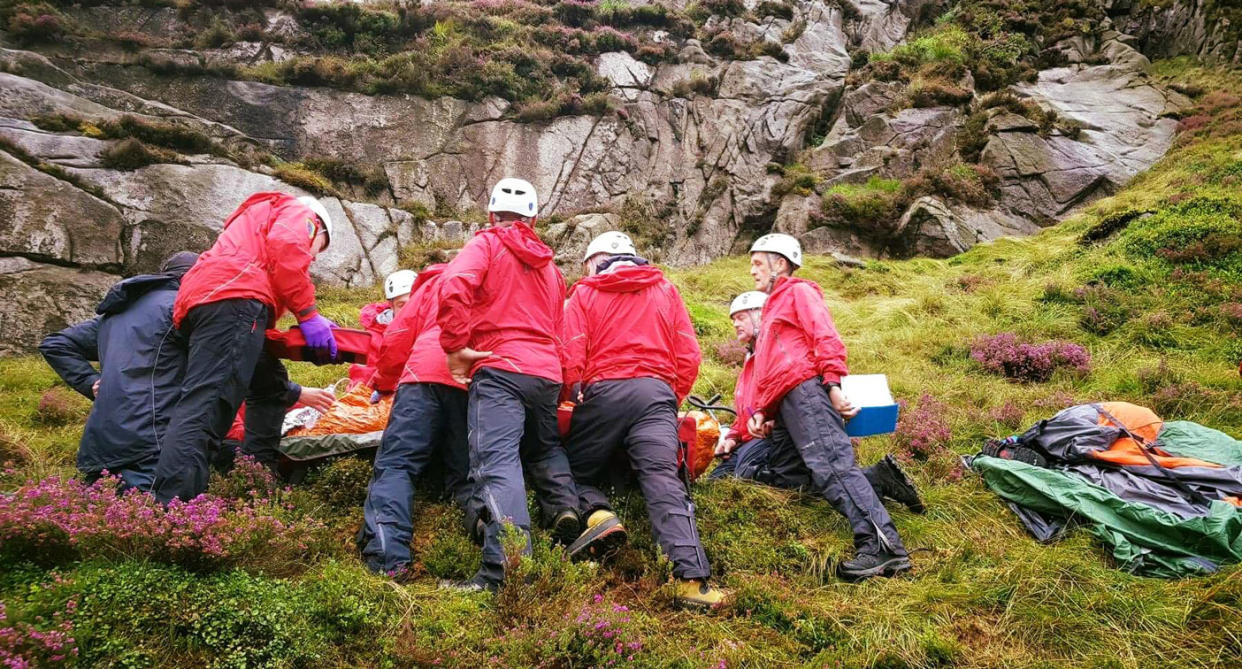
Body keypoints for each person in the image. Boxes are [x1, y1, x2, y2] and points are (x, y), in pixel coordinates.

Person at [562, 232, 725, 608]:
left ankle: (600, 514)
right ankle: (692, 583)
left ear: (597, 260)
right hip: (655, 395)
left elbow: (570, 351)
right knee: (664, 480)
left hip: (605, 394)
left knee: (572, 470)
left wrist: (574, 391)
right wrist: (670, 398)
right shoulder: (664, 290)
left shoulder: (585, 293)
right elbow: (689, 353)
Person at [436, 178, 580, 592]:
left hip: (501, 368)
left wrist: (455, 346)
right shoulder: (551, 269)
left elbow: (453, 286)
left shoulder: (485, 244)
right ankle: (565, 511)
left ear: (490, 215)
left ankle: (504, 572)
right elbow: (560, 329)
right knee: (543, 449)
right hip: (546, 374)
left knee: (496, 464)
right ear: (534, 219)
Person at [151, 193, 339, 503]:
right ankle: (173, 510)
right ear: (318, 230)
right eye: (321, 246)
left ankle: (257, 480)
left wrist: (309, 320)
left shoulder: (252, 226)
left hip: (213, 300)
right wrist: (308, 314)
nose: (315, 256)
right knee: (207, 407)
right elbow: (288, 248)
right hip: (234, 300)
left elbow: (271, 268)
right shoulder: (302, 214)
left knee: (270, 385)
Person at [744, 234, 912, 581]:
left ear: (781, 263)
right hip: (786, 402)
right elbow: (770, 367)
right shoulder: (772, 307)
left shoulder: (798, 292)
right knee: (792, 476)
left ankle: (884, 547)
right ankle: (879, 479)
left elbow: (825, 335)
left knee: (833, 466)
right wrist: (764, 411)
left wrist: (833, 384)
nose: (752, 271)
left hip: (807, 392)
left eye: (758, 262)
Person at [709, 292, 924, 514]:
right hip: (758, 439)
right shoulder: (750, 360)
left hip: (786, 435)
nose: (735, 323)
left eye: (740, 317)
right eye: (732, 319)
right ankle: (869, 481)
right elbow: (747, 411)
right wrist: (733, 436)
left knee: (760, 478)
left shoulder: (781, 353)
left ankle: (874, 479)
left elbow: (796, 395)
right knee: (718, 481)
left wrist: (777, 419)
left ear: (761, 315)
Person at [38, 252, 198, 491]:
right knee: (153, 521)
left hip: (103, 439)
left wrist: (90, 382)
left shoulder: (115, 314)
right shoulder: (180, 309)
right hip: (153, 439)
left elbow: (56, 344)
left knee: (92, 520)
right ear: (194, 276)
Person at [358, 264, 475, 577]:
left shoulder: (431, 285)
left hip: (420, 377)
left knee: (397, 466)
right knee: (466, 475)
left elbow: (397, 337)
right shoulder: (482, 283)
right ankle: (491, 546)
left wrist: (384, 383)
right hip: (468, 382)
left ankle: (388, 558)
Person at [348, 269, 417, 388]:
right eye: (402, 305)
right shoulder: (375, 336)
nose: (409, 310)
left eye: (413, 303)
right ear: (391, 305)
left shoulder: (432, 328)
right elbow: (363, 374)